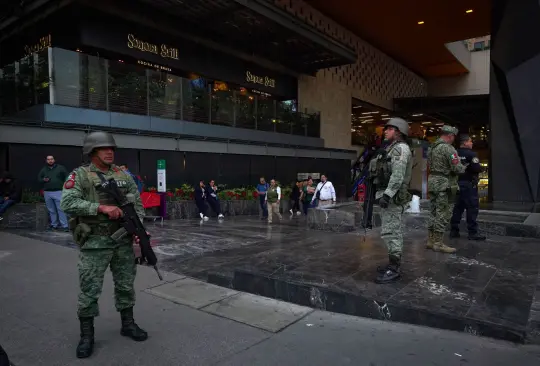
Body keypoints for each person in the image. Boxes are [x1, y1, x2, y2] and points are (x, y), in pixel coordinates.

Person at [60, 131, 147, 359]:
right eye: (103, 148)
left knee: (126, 285)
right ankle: (87, 336)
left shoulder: (122, 174)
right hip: (95, 242)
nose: (109, 152)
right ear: (92, 151)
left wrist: (138, 228)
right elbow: (67, 202)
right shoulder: (80, 175)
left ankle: (128, 324)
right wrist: (100, 208)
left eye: (112, 148)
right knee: (89, 290)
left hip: (123, 241)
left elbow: (136, 202)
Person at [369, 118, 413, 284]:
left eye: (389, 129)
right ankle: (392, 263)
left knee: (392, 231)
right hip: (389, 195)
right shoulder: (391, 148)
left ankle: (394, 268)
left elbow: (398, 175)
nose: (385, 131)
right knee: (389, 230)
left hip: (393, 197)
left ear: (398, 131)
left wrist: (387, 195)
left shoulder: (400, 149)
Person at [427, 125, 467, 253]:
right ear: (450, 136)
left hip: (433, 182)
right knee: (443, 213)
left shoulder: (432, 148)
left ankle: (431, 241)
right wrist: (463, 166)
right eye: (453, 137)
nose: (453, 139)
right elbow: (457, 168)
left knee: (433, 211)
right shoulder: (449, 149)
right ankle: (438, 243)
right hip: (445, 184)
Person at [450, 134, 486, 241]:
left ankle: (454, 231)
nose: (472, 143)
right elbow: (476, 168)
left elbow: (453, 166)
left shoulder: (454, 153)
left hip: (456, 184)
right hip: (469, 185)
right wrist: (481, 169)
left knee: (457, 208)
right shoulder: (472, 154)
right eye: (470, 141)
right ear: (465, 143)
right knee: (472, 208)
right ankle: (472, 232)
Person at [38, 155, 69, 231]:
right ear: (46, 161)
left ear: (54, 160)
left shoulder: (60, 168)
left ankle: (65, 226)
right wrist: (43, 180)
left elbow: (67, 176)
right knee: (51, 210)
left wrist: (65, 185)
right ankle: (54, 225)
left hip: (58, 191)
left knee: (61, 209)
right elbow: (39, 178)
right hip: (47, 192)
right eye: (48, 159)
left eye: (51, 159)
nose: (50, 161)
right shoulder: (44, 169)